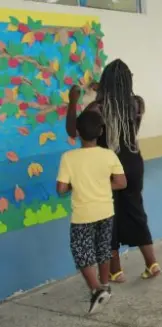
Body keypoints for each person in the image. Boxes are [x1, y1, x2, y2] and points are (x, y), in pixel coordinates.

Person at [66, 59, 160, 283]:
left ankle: (115, 271)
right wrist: (104, 89)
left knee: (109, 217)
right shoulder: (137, 103)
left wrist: (72, 102)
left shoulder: (97, 108)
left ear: (106, 83)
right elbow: (118, 106)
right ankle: (152, 263)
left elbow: (73, 130)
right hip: (134, 164)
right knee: (136, 212)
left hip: (107, 166)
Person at [57, 111, 127, 313]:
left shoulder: (69, 158)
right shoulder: (108, 154)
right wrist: (102, 185)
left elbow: (61, 190)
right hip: (106, 210)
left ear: (77, 132)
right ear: (101, 131)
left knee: (81, 252)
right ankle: (104, 285)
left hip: (83, 214)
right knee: (103, 247)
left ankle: (96, 289)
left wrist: (76, 185)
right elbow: (121, 182)